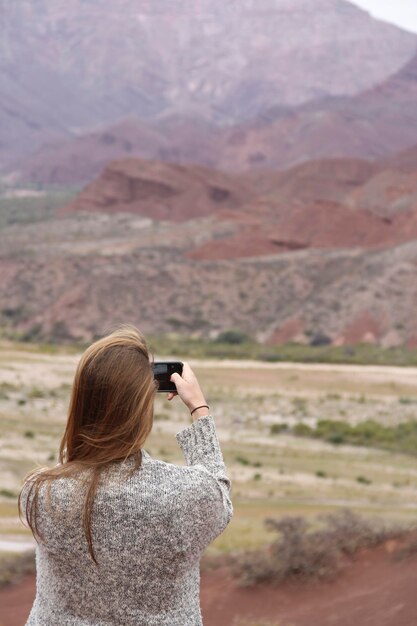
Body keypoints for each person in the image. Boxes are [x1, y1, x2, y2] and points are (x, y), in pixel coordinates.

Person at [18, 324, 233, 626]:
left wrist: (87, 428)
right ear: (143, 407)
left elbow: (76, 466)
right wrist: (199, 408)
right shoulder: (183, 495)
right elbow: (220, 495)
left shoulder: (41, 492)